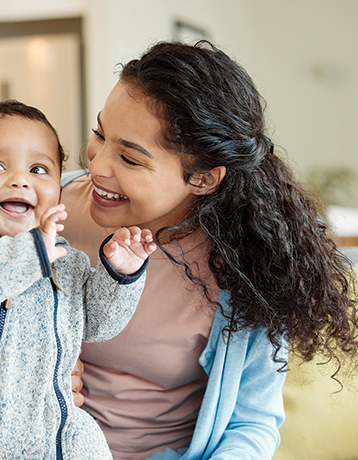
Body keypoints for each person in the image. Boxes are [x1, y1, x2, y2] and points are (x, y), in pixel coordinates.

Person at [60, 41, 358, 460]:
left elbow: (251, 424)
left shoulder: (244, 271)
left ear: (202, 178)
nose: (96, 165)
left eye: (129, 158)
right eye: (99, 134)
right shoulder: (43, 209)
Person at [0, 100, 156, 459]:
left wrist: (121, 274)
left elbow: (96, 324)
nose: (19, 179)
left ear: (58, 193)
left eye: (38, 169)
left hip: (51, 428)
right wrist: (30, 254)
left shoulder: (64, 260)